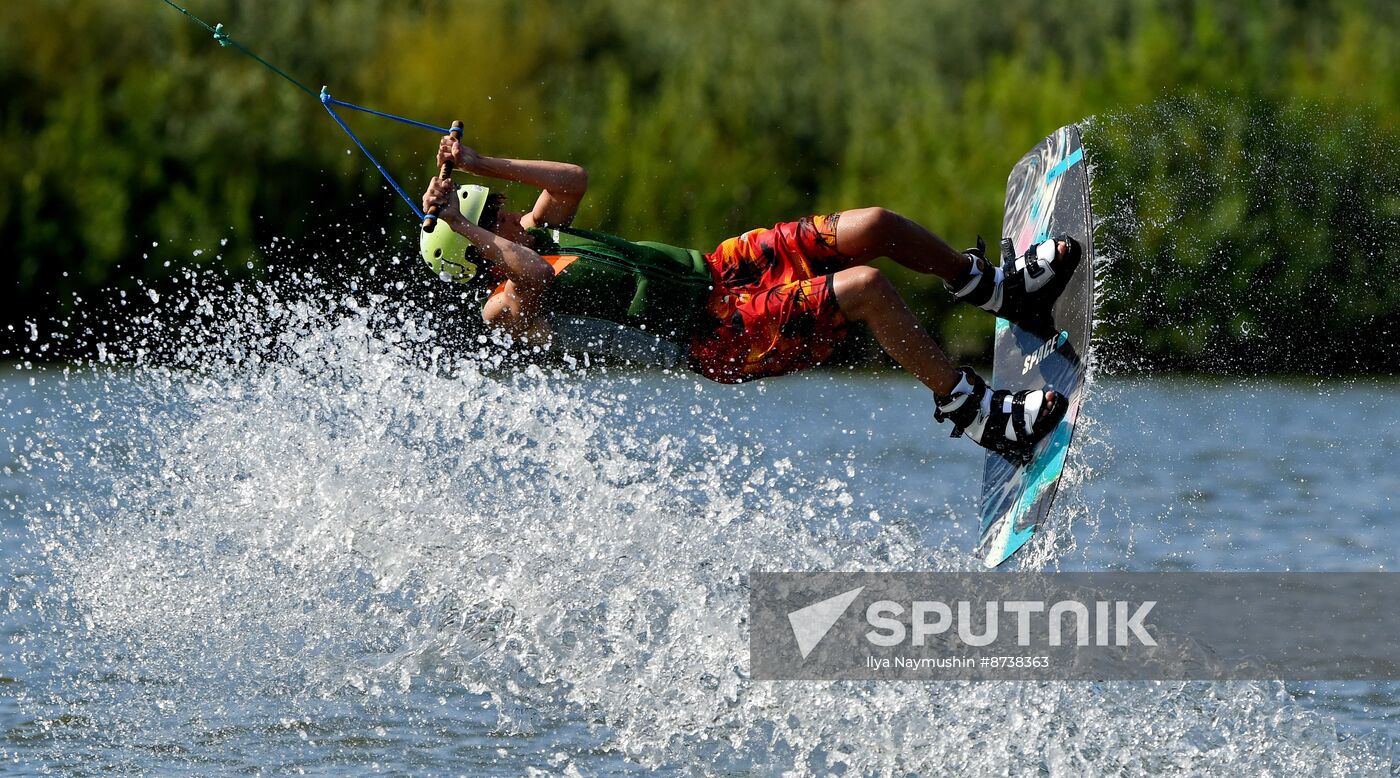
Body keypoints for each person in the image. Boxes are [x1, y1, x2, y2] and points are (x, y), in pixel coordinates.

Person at [418, 135, 1080, 460]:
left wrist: (478, 166)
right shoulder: (504, 305)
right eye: (494, 217)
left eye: (501, 209)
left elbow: (573, 176)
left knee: (873, 225)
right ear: (474, 253)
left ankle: (999, 289)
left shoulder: (539, 228)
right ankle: (972, 412)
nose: (510, 216)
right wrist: (462, 223)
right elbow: (528, 275)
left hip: (721, 270)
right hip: (716, 336)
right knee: (868, 289)